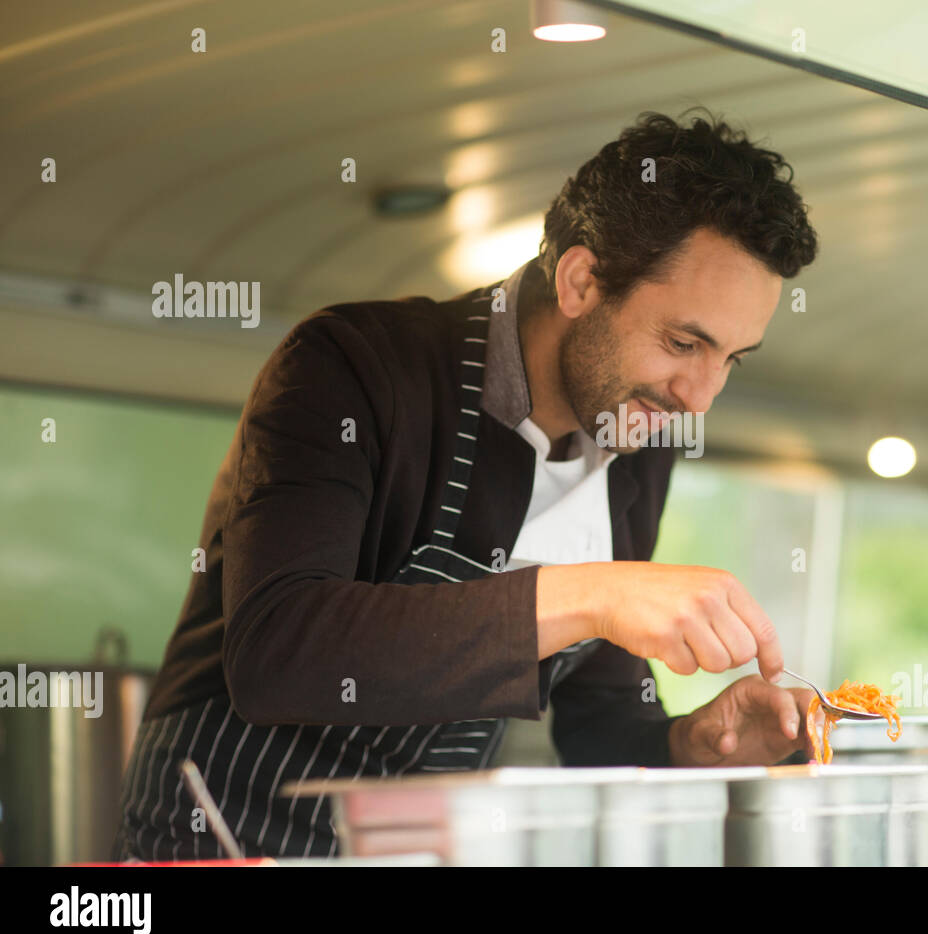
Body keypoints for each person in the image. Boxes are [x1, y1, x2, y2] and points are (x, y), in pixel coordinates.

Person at [114, 108, 820, 860]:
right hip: (222, 843)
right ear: (582, 280)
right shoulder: (352, 365)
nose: (700, 398)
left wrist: (693, 742)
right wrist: (592, 595)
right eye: (684, 342)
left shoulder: (638, 440)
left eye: (732, 360)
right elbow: (279, 650)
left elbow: (596, 721)